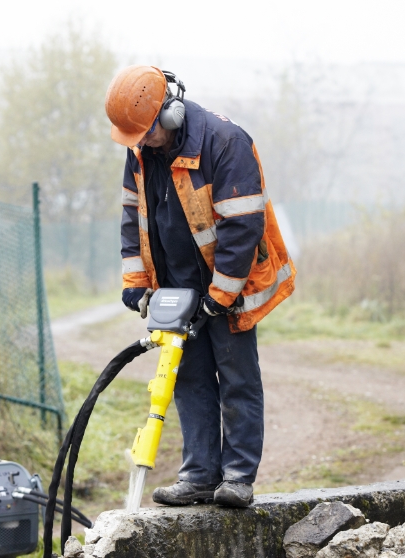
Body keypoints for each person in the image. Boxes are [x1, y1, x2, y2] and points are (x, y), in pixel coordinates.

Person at [105, 65, 296, 509]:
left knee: (236, 378)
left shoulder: (226, 143)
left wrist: (221, 297)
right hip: (178, 286)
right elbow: (132, 220)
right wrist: (137, 283)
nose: (140, 144)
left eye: (146, 133)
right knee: (187, 377)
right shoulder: (139, 150)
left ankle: (237, 477)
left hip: (231, 285)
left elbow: (242, 228)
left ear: (170, 114)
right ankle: (199, 475)